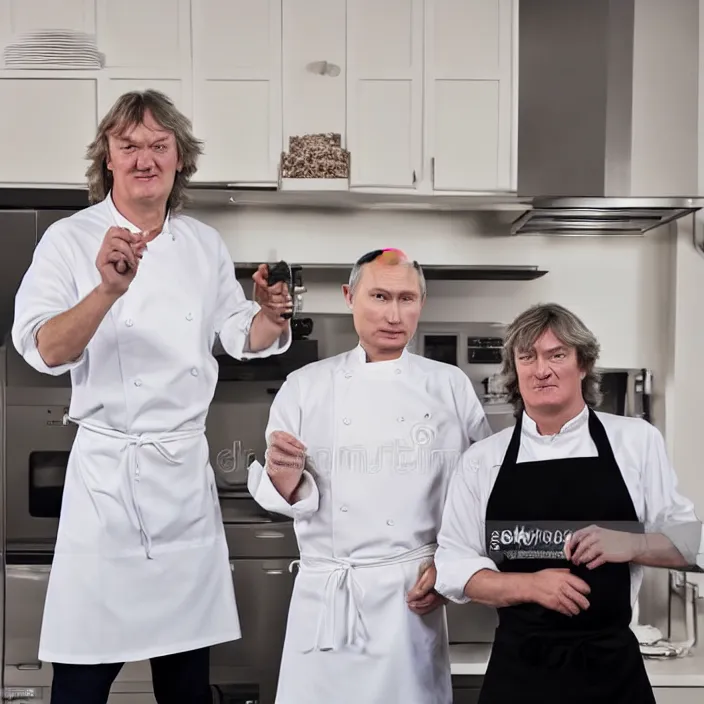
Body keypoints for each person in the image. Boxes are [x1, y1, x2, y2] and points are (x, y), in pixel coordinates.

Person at [11, 90, 292, 704]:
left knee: (186, 679)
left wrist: (270, 315)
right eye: (128, 145)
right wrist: (107, 291)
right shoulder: (67, 240)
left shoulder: (202, 245)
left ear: (178, 161)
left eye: (158, 146)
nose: (144, 158)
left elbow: (240, 334)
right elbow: (45, 347)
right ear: (106, 159)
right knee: (81, 679)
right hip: (106, 484)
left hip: (180, 481)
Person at [247, 248, 493, 704]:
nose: (394, 314)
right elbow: (280, 491)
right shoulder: (306, 385)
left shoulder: (448, 385)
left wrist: (449, 569)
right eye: (379, 296)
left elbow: (478, 493)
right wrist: (284, 477)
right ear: (349, 297)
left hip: (410, 595)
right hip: (328, 593)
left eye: (407, 299)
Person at [434, 302, 704, 704]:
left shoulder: (635, 440)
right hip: (519, 672)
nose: (541, 369)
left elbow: (692, 544)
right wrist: (529, 585)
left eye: (557, 355)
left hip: (611, 672)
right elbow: (452, 568)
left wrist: (633, 544)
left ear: (583, 364)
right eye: (527, 357)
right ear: (515, 370)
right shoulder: (482, 459)